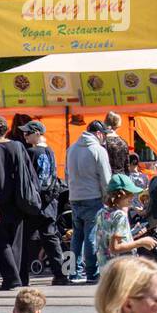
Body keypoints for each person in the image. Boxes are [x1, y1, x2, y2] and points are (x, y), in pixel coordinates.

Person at [0, 115, 35, 291]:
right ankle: (20, 276)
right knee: (17, 241)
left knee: (0, 241)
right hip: (18, 199)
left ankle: (11, 277)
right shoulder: (18, 146)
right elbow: (29, 173)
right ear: (6, 129)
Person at [18, 120, 70, 287]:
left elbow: (34, 181)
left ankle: (22, 277)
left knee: (24, 240)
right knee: (51, 238)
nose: (24, 135)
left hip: (35, 202)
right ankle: (61, 274)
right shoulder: (50, 151)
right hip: (50, 203)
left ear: (37, 133)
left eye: (28, 132)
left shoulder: (31, 152)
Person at [66, 120, 111, 284]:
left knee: (76, 236)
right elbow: (106, 178)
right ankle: (92, 272)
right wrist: (109, 197)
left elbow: (66, 174)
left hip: (74, 197)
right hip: (93, 197)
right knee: (91, 236)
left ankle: (71, 272)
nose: (104, 138)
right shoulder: (98, 150)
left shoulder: (71, 149)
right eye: (104, 134)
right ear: (99, 133)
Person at [93, 174, 157, 273]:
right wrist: (141, 242)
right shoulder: (120, 216)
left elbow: (108, 240)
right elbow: (115, 248)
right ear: (121, 194)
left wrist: (131, 234)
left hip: (106, 270)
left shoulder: (101, 213)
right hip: (121, 270)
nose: (133, 196)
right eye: (130, 193)